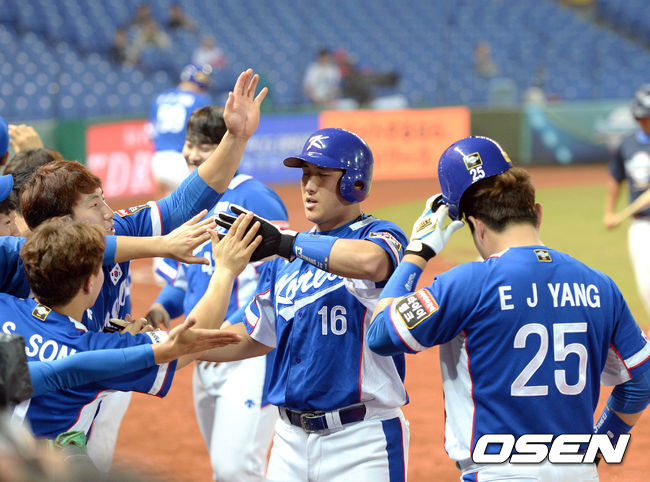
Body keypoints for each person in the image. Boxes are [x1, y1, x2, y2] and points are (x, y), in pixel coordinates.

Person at [18, 68, 267, 471]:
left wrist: (236, 138)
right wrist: (217, 268)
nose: (109, 212)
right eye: (95, 205)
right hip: (86, 375)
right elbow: (178, 350)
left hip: (95, 373)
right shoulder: (24, 265)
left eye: (104, 198)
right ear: (63, 223)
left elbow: (183, 202)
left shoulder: (112, 230)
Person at [366, 136, 650, 480]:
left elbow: (381, 335)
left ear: (477, 226)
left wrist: (417, 252)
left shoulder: (467, 283)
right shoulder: (600, 286)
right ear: (537, 213)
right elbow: (641, 384)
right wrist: (597, 446)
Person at [191, 128, 410, 480]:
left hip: (362, 439)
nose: (308, 185)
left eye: (321, 175)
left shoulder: (379, 235)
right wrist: (177, 346)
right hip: (289, 441)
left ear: (353, 182)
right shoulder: (284, 256)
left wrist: (287, 243)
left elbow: (372, 263)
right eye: (305, 175)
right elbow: (254, 334)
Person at [3, 220, 243, 454]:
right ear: (89, 283)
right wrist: (226, 270)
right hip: (40, 469)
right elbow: (191, 342)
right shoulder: (98, 350)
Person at [145, 105, 288, 481]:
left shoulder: (256, 199)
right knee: (224, 467)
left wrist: (230, 327)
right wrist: (162, 306)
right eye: (189, 144)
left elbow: (277, 280)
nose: (192, 154)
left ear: (228, 148)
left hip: (246, 351)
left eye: (204, 146)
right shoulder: (190, 199)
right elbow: (186, 276)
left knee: (236, 468)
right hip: (202, 352)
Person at [604, 84, 650, 321]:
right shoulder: (627, 144)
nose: (646, 122)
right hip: (641, 224)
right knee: (646, 282)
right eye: (643, 118)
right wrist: (609, 211)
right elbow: (616, 177)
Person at [148, 63, 213, 195]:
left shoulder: (161, 98)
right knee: (203, 199)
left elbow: (151, 132)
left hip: (158, 159)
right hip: (182, 160)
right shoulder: (199, 99)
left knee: (166, 204)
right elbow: (206, 133)